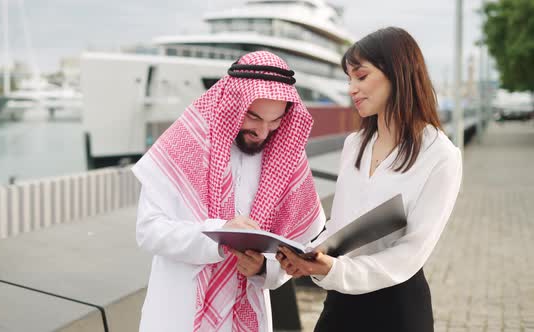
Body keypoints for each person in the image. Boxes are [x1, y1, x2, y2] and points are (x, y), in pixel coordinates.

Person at [276, 27, 463, 332]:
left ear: (398, 73)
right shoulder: (354, 145)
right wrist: (310, 255)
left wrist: (336, 269)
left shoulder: (441, 155)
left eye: (361, 77)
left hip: (397, 307)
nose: (351, 88)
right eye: (349, 79)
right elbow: (341, 225)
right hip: (340, 300)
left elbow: (411, 252)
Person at [131, 51, 326, 332]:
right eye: (253, 117)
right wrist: (220, 234)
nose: (262, 132)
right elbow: (149, 231)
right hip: (180, 311)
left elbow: (292, 251)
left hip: (245, 314)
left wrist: (262, 267)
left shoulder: (285, 156)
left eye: (274, 122)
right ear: (231, 105)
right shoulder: (185, 145)